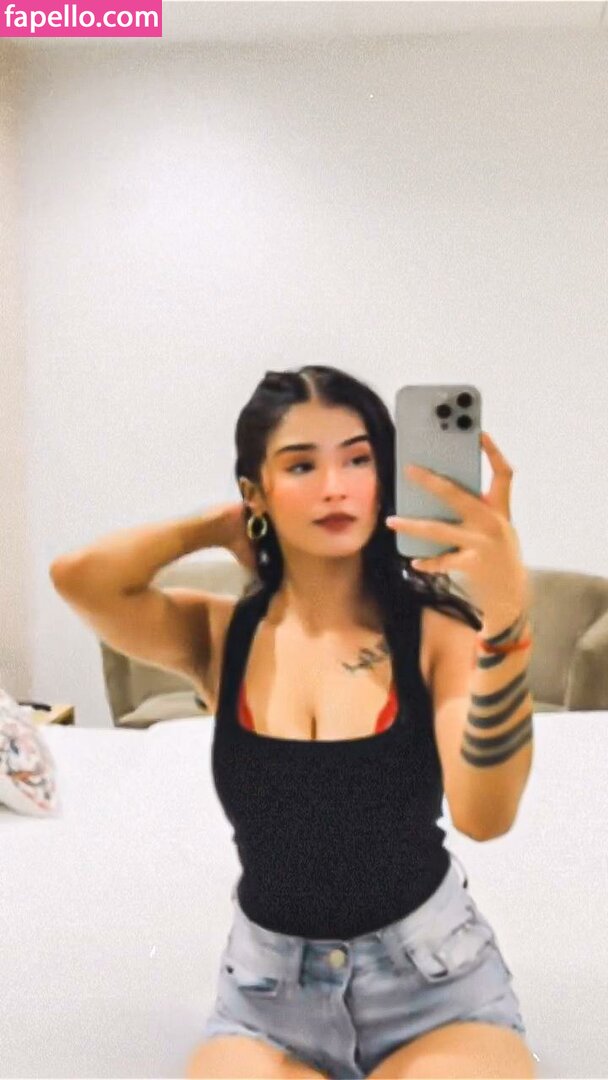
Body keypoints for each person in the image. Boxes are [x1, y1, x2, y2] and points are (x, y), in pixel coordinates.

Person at [50, 365, 536, 1080]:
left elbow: (485, 817)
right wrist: (216, 526)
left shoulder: (438, 635)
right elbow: (79, 576)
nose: (335, 486)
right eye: (302, 465)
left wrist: (507, 621)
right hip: (268, 1000)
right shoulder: (221, 636)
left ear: (386, 477)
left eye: (358, 459)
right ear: (257, 491)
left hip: (435, 991)